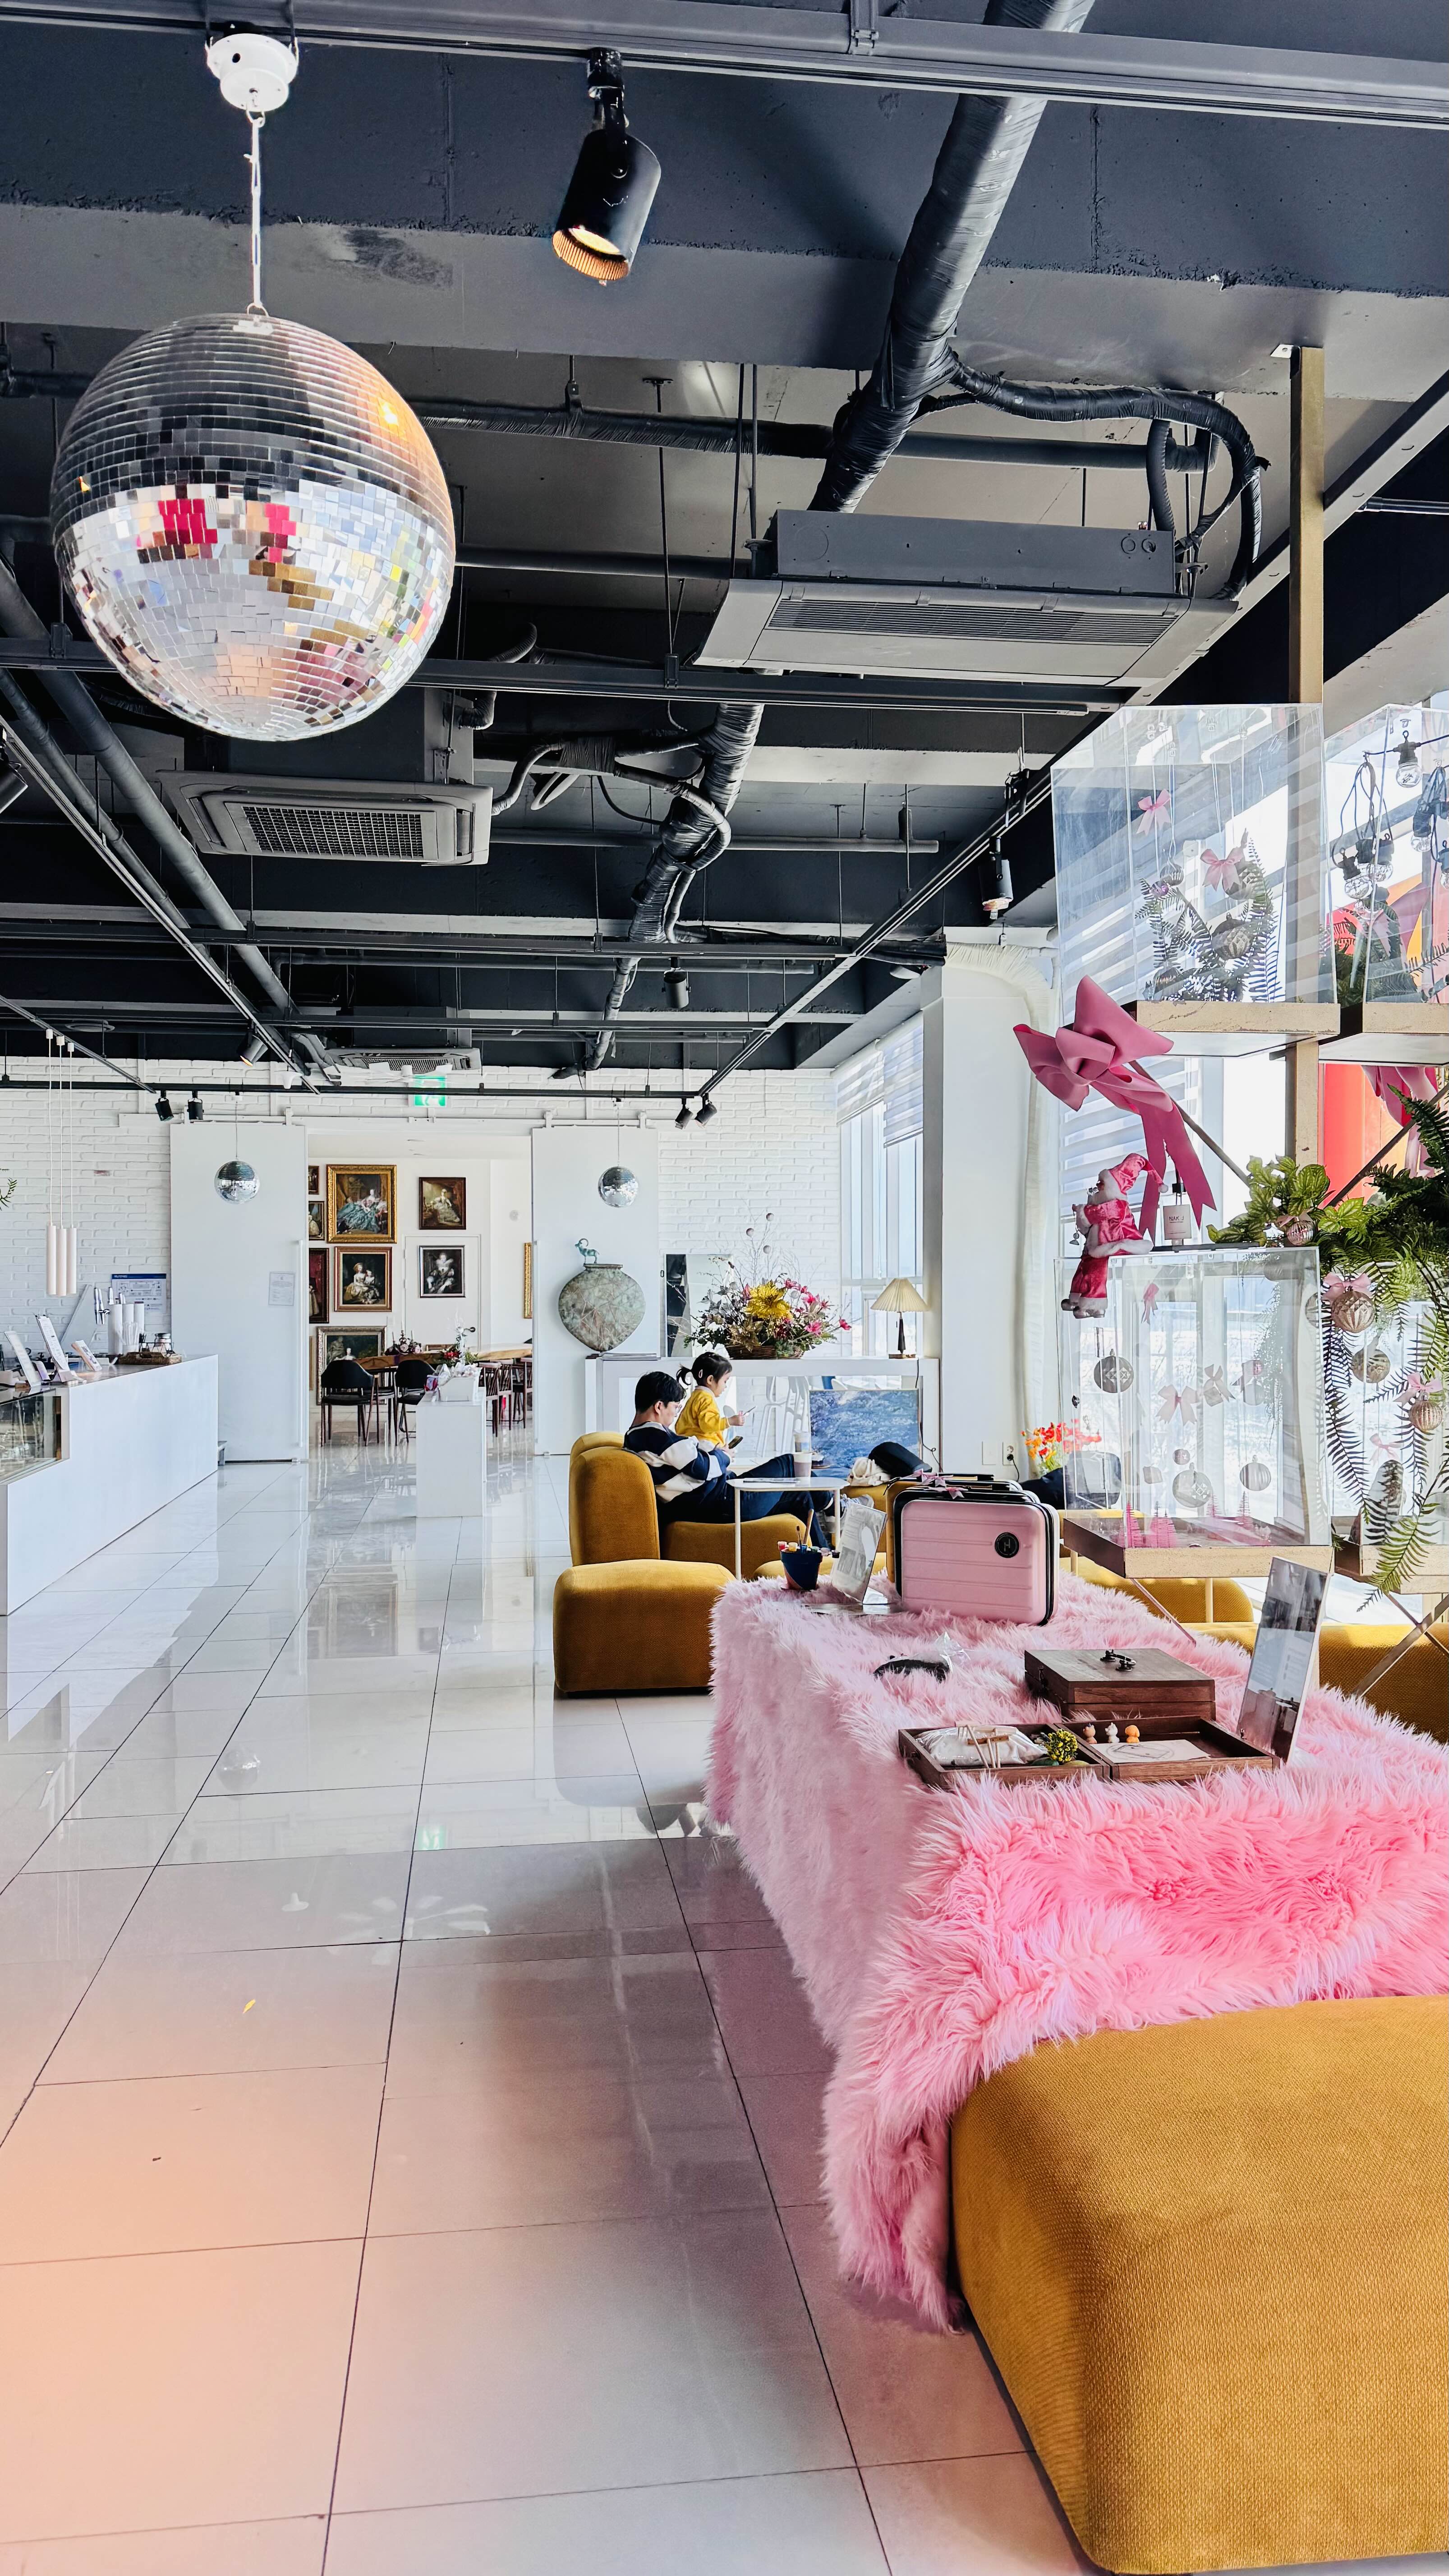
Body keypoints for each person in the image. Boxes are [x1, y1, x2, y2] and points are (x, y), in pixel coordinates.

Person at [624, 1371, 831, 1547]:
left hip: (718, 1499)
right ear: (659, 1406)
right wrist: (723, 1456)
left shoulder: (636, 1437)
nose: (675, 1415)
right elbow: (703, 1469)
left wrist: (713, 1453)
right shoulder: (654, 1436)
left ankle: (824, 1558)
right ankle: (833, 1506)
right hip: (723, 1502)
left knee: (800, 1496)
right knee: (789, 1463)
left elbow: (691, 1462)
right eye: (675, 1407)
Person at [674, 1351, 745, 1450]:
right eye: (725, 1381)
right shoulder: (706, 1399)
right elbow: (708, 1424)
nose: (725, 1386)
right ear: (710, 1380)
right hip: (704, 1447)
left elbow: (679, 1426)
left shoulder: (696, 1396)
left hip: (690, 1446)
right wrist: (730, 1421)